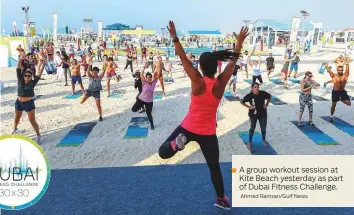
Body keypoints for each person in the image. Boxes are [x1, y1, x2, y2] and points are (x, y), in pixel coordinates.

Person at [158, 21, 248, 210]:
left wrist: (174, 36)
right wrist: (239, 43)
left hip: (188, 127)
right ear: (216, 67)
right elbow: (233, 61)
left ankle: (176, 144)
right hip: (207, 132)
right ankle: (222, 199)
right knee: (214, 167)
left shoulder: (196, 81)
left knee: (163, 152)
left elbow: (182, 57)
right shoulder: (220, 83)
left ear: (201, 67)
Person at [12, 56, 45, 143]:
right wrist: (20, 59)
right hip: (19, 102)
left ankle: (38, 135)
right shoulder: (20, 80)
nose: (27, 76)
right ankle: (15, 129)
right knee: (17, 117)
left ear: (31, 77)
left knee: (32, 120)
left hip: (29, 103)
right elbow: (18, 68)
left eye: (29, 75)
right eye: (25, 75)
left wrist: (44, 65)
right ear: (23, 76)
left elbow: (39, 74)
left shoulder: (32, 83)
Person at [240, 82, 271, 150]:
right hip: (253, 115)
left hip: (262, 114)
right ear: (252, 88)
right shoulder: (249, 95)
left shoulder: (263, 93)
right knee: (252, 128)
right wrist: (248, 106)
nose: (256, 88)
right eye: (255, 87)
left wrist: (266, 105)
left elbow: (269, 96)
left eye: (257, 87)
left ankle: (263, 140)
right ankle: (249, 142)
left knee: (263, 128)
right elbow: (241, 101)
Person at [132, 63, 158, 130]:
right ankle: (142, 107)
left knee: (149, 114)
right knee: (133, 109)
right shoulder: (144, 82)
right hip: (141, 99)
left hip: (149, 102)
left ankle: (152, 125)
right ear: (146, 78)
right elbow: (141, 74)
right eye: (148, 77)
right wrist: (144, 67)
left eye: (150, 77)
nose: (149, 79)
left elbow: (156, 74)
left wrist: (155, 68)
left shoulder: (154, 82)